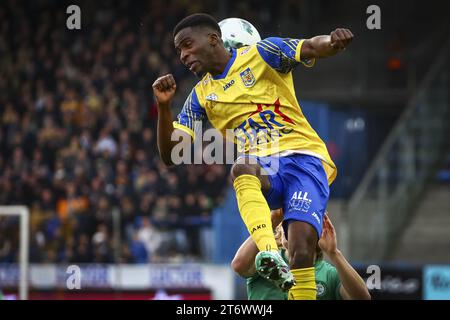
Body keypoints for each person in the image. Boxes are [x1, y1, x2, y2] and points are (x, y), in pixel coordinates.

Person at [152, 13, 353, 299]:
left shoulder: (263, 53)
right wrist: (164, 109)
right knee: (242, 166)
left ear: (213, 39)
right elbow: (172, 155)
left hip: (304, 158)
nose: (183, 55)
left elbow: (310, 46)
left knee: (301, 251)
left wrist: (332, 42)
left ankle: (287, 268)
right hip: (267, 168)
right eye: (178, 51)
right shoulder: (200, 96)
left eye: (187, 45)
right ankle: (269, 254)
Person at [232, 210, 371, 300]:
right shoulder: (267, 257)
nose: (294, 229)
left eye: (301, 223)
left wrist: (334, 253)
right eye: (288, 223)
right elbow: (239, 266)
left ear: (316, 233)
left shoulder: (329, 274)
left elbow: (362, 298)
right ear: (279, 232)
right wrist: (271, 221)